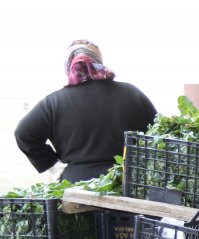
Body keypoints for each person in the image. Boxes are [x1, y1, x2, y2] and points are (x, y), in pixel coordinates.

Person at [15, 40, 158, 182]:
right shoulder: (132, 93)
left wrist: (53, 166)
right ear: (99, 62)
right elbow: (157, 133)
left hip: (76, 186)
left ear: (68, 65)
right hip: (126, 182)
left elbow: (23, 134)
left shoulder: (53, 102)